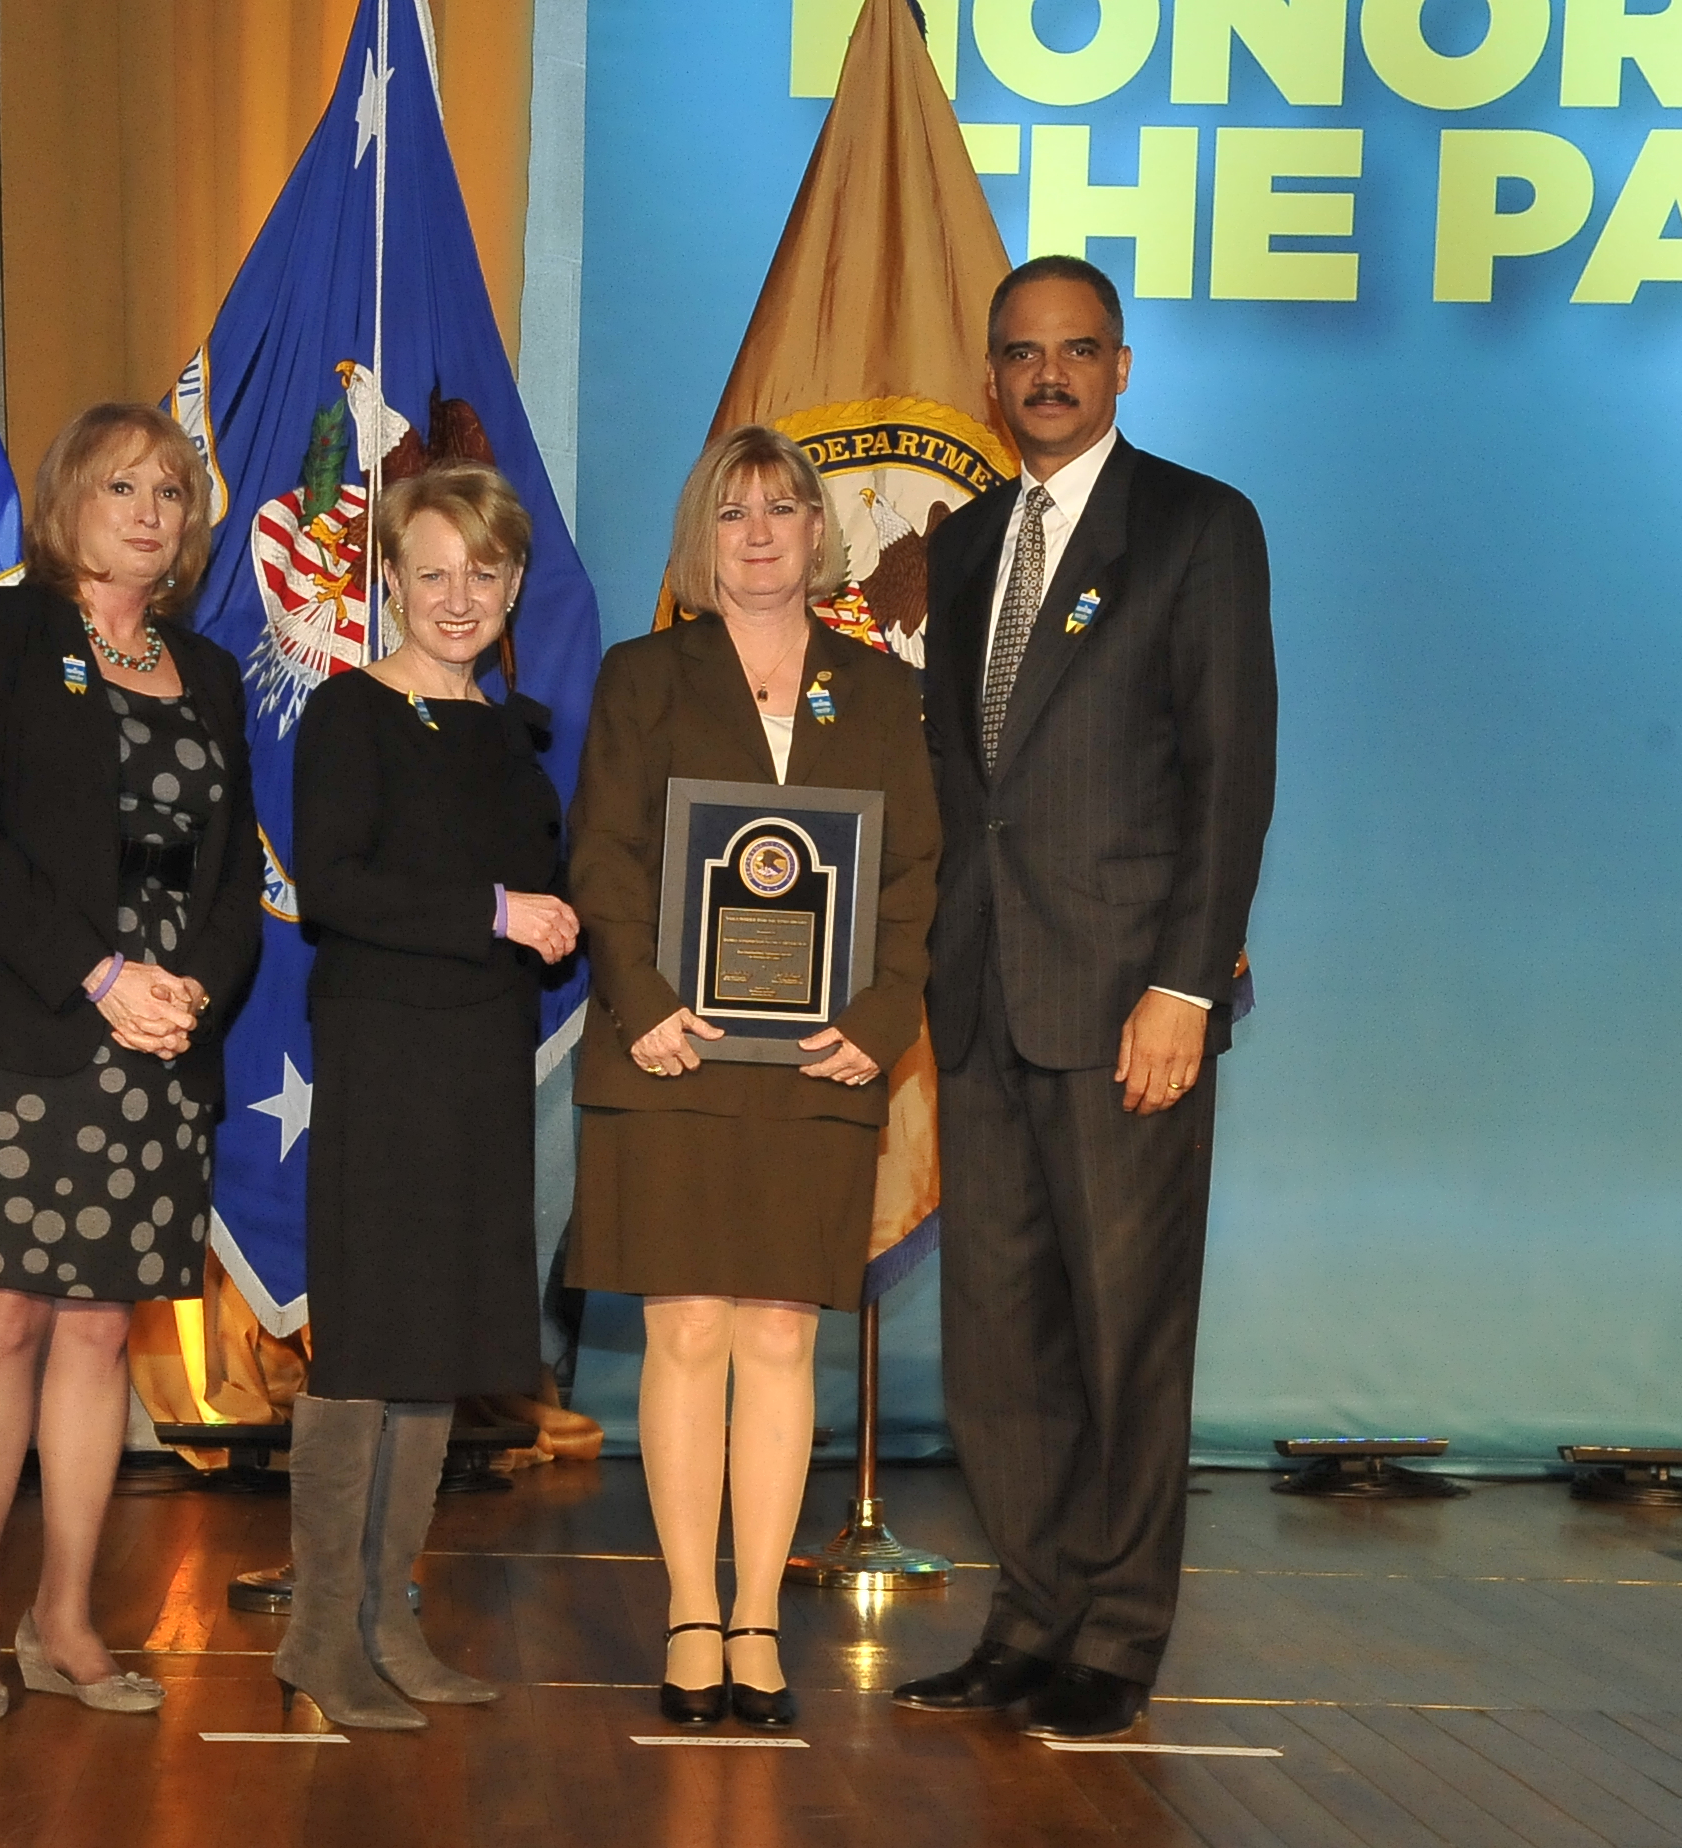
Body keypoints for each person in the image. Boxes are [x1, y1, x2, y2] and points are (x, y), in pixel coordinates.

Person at [892, 255, 1277, 1741]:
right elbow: (957, 786)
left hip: (1132, 1008)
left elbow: (1229, 777)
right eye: (1021, 354)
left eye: (1077, 350)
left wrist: (1185, 981)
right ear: (992, 381)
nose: (1047, 375)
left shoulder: (1198, 526)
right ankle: (1031, 1616)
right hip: (985, 999)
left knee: (1126, 1335)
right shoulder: (972, 536)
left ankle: (1115, 1634)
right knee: (1001, 1342)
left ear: (1124, 368)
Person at [0, 402, 261, 1723]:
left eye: (170, 492)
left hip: (157, 1043)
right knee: (1, 1320)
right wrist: (97, 978)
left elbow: (230, 875)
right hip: (10, 1027)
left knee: (100, 1331)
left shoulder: (207, 674)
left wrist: (189, 992)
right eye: (120, 487)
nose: (149, 511)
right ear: (66, 504)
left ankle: (68, 1620)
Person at [565, 426, 940, 1730]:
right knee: (686, 1329)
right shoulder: (643, 676)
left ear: (820, 536)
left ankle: (759, 1622)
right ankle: (686, 1611)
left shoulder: (882, 696)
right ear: (699, 538)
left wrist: (885, 1019)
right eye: (735, 513)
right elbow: (603, 855)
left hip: (823, 1059)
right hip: (669, 1052)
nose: (763, 532)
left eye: (786, 508)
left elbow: (911, 883)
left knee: (780, 1334)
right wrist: (649, 1003)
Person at [274, 462, 580, 1730]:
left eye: (486, 572)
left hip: (478, 1060)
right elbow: (335, 887)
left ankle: (387, 1618)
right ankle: (316, 1635)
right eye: (434, 572)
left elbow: (552, 900)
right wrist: (499, 913)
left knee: (437, 1344)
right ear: (387, 582)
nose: (461, 597)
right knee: (367, 1346)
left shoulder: (512, 731)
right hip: (387, 1057)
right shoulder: (349, 715)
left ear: (514, 585)